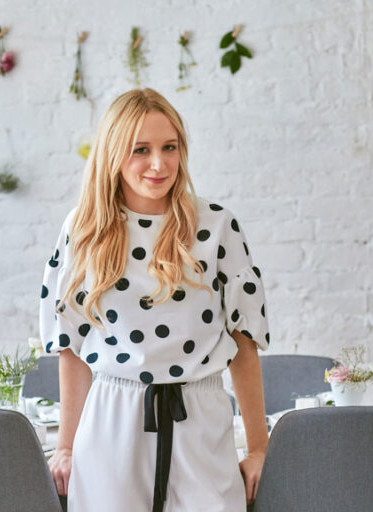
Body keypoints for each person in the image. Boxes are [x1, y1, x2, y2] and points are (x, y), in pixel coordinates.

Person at [39, 88, 269, 512]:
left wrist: (258, 448)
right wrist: (66, 446)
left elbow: (245, 343)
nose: (159, 164)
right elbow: (70, 344)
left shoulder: (217, 226)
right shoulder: (84, 229)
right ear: (112, 153)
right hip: (111, 416)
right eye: (140, 149)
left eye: (170, 147)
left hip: (200, 417)